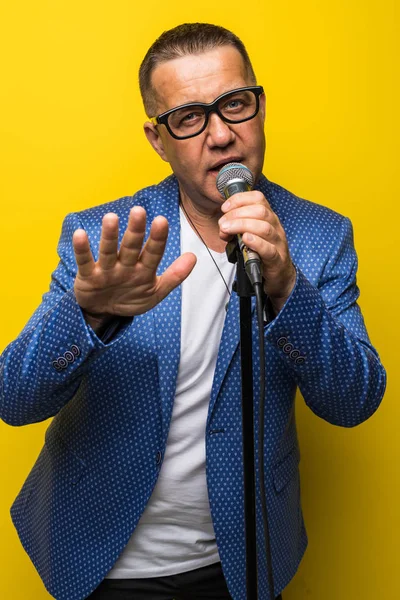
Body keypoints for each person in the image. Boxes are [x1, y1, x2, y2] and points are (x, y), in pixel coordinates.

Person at [0, 22, 386, 600]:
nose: (222, 135)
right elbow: (14, 400)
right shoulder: (105, 238)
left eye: (235, 105)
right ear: (158, 139)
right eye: (189, 117)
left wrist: (286, 285)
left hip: (248, 556)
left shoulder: (319, 236)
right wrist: (88, 317)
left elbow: (355, 402)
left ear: (259, 108)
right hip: (103, 556)